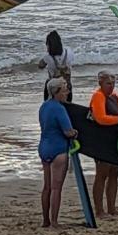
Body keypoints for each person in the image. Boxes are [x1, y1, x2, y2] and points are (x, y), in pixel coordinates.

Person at [87, 73, 118, 219]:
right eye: (108, 83)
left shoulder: (114, 96)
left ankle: (112, 208)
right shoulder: (98, 96)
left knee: (114, 173)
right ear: (101, 83)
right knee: (102, 174)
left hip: (114, 139)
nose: (111, 86)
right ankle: (99, 210)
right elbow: (100, 119)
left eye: (113, 83)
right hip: (101, 141)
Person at [38, 78, 78, 226]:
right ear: (56, 92)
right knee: (56, 188)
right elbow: (68, 131)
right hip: (58, 149)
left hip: (44, 147)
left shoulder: (44, 106)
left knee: (47, 187)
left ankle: (45, 220)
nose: (67, 92)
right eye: (64, 90)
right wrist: (75, 133)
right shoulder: (59, 108)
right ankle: (54, 221)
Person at [40, 30, 73, 95]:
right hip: (66, 87)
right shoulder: (69, 51)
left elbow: (40, 66)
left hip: (54, 89)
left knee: (48, 82)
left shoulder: (48, 57)